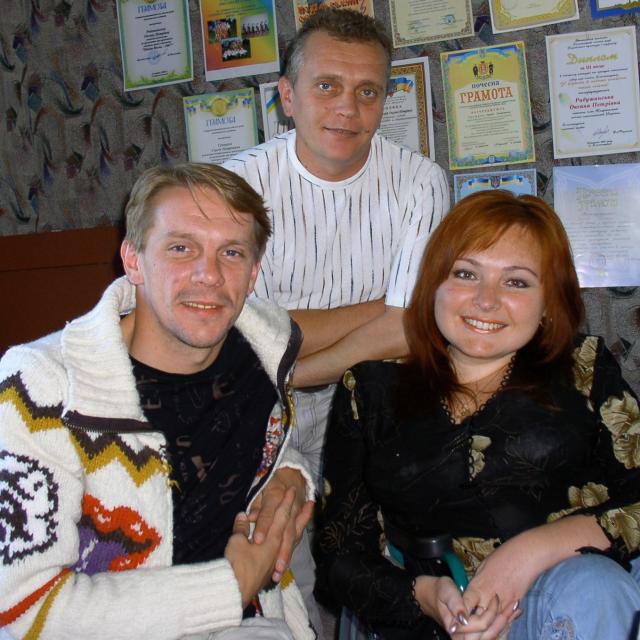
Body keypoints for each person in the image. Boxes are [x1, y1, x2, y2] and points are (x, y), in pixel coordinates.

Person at [0, 163, 317, 640]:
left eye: (231, 253)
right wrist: (230, 587)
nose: (209, 275)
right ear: (133, 260)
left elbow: (268, 444)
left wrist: (290, 476)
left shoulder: (260, 354)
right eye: (180, 248)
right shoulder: (41, 388)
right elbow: (23, 609)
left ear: (253, 274)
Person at [315, 190, 640, 639]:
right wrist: (424, 596)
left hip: (569, 602)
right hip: (432, 620)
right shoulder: (370, 389)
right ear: (433, 286)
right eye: (466, 274)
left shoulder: (583, 369)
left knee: (593, 589)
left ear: (549, 302)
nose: (486, 300)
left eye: (516, 282)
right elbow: (340, 557)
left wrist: (532, 552)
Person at [224, 9, 449, 627]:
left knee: (365, 571)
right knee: (281, 571)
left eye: (367, 91)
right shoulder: (235, 186)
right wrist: (389, 308)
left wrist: (297, 367)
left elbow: (409, 332)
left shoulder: (421, 182)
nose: (347, 108)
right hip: (258, 406)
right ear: (287, 96)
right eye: (327, 85)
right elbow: (239, 326)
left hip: (374, 401)